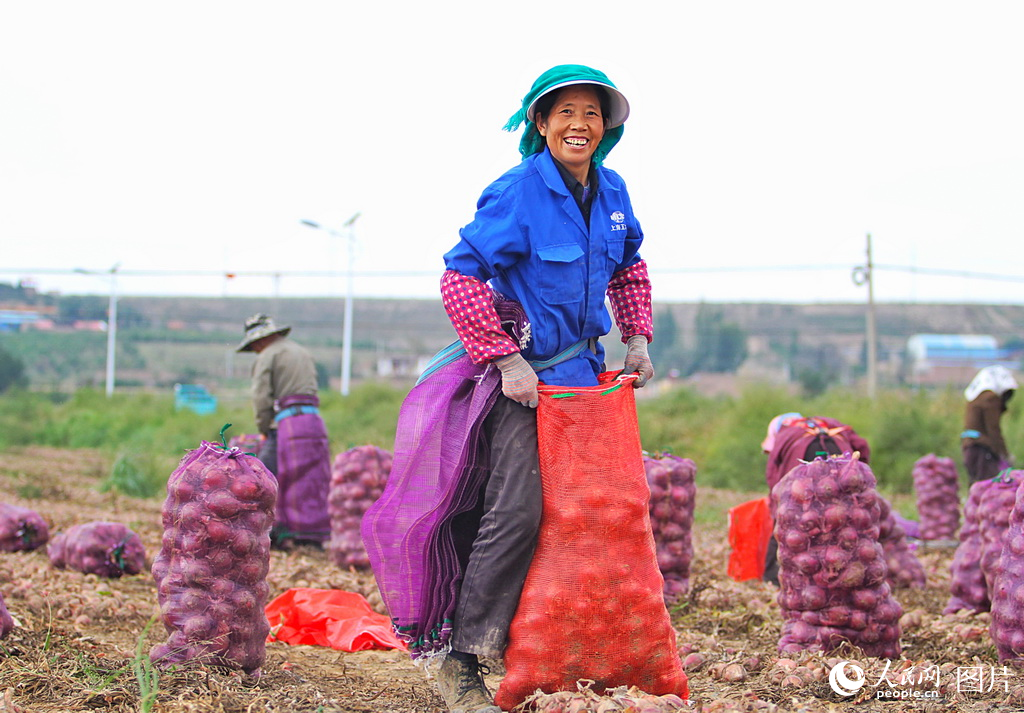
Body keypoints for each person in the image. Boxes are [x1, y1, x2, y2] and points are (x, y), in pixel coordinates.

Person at [377, 65, 653, 713]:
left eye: (590, 113)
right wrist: (503, 359)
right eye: (564, 113)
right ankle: (462, 657)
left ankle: (543, 644)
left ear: (606, 126)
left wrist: (637, 336)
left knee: (577, 513)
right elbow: (459, 276)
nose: (578, 124)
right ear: (540, 123)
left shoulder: (612, 193)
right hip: (524, 383)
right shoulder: (517, 193)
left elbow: (631, 265)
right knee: (519, 509)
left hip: (583, 380)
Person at [236, 313, 331, 549]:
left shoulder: (268, 355)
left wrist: (264, 427)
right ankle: (311, 535)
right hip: (314, 422)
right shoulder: (300, 351)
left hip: (288, 423)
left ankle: (277, 533)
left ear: (259, 341)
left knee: (266, 477)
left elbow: (261, 397)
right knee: (311, 479)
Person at [760, 412, 871, 585]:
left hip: (800, 458)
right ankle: (845, 573)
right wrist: (859, 476)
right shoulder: (830, 422)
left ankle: (775, 578)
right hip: (841, 454)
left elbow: (773, 474)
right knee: (844, 516)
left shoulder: (786, 432)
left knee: (791, 518)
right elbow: (861, 447)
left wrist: (775, 504)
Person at [961, 365, 1018, 482]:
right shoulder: (991, 398)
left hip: (969, 446)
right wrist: (1005, 454)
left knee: (976, 486)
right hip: (982, 448)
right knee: (987, 485)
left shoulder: (976, 397)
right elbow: (994, 430)